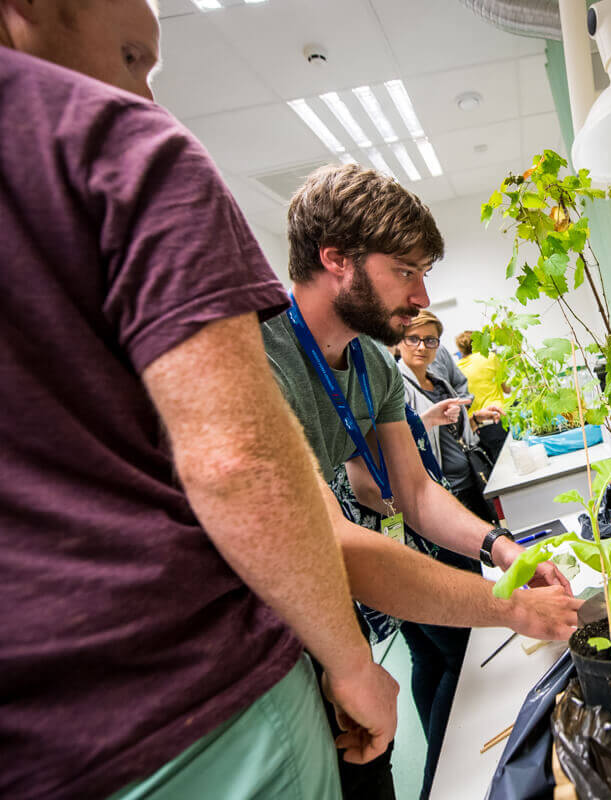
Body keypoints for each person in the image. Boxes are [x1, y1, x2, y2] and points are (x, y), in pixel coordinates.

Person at [0, 2, 399, 798]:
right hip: (194, 712)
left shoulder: (374, 369)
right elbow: (239, 464)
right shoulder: (118, 146)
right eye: (129, 58)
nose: (146, 100)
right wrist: (351, 659)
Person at [263, 162, 582, 799]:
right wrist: (516, 607)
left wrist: (504, 552)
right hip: (265, 644)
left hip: (320, 614)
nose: (421, 297)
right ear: (337, 260)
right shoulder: (263, 360)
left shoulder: (369, 364)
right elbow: (334, 546)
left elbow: (415, 493)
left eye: (423, 273)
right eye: (404, 271)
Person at [397, 312, 503, 523]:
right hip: (445, 491)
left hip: (471, 480)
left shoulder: (439, 382)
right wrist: (427, 420)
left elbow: (448, 435)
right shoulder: (398, 387)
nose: (422, 347)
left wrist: (475, 420)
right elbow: (396, 443)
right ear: (399, 341)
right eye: (413, 339)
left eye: (430, 340)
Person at [456, 329, 511, 463]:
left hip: (474, 427)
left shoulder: (457, 368)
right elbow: (507, 389)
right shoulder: (490, 357)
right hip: (496, 418)